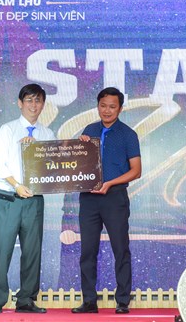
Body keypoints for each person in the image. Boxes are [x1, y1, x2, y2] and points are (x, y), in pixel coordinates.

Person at [0, 83, 56, 314]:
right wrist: (17, 185)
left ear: (43, 104)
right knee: (1, 250)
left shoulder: (47, 134)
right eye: (29, 100)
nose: (34, 105)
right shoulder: (8, 130)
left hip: (34, 200)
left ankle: (26, 300)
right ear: (20, 103)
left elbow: (53, 166)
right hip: (8, 198)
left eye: (38, 100)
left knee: (32, 251)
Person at [71, 87, 141, 315]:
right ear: (97, 106)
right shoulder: (89, 130)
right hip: (89, 199)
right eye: (103, 106)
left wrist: (110, 183)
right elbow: (78, 164)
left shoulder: (128, 134)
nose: (107, 110)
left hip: (114, 198)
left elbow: (136, 171)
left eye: (112, 106)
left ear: (120, 108)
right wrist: (80, 147)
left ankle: (122, 301)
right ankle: (89, 301)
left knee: (120, 249)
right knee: (87, 251)